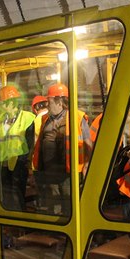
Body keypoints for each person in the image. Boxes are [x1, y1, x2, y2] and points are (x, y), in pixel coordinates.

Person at [31, 83, 92, 216]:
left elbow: (88, 144)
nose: (47, 105)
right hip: (50, 171)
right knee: (53, 204)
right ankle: (56, 231)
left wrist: (86, 165)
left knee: (69, 203)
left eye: (49, 101)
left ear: (59, 101)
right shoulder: (44, 119)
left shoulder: (77, 117)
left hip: (69, 172)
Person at [0, 85, 35, 211]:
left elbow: (31, 144)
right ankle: (8, 223)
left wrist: (26, 163)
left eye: (2, 103)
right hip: (3, 164)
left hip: (19, 164)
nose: (0, 106)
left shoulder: (28, 118)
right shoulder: (1, 119)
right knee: (5, 196)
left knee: (17, 195)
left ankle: (20, 226)